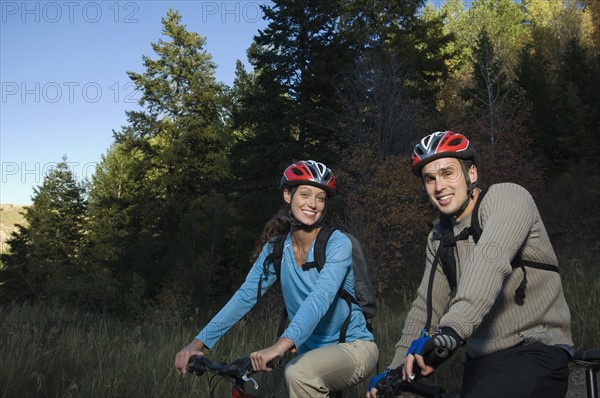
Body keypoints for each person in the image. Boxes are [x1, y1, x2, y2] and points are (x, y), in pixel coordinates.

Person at [367, 131, 573, 398]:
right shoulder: (439, 237)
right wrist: (395, 370)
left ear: (471, 174)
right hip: (480, 361)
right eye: (430, 179)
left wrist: (451, 330)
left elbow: (490, 263)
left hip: (535, 349)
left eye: (447, 173)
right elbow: (426, 310)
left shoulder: (508, 198)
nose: (438, 186)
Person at [175, 160, 378, 397]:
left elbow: (321, 297)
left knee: (298, 372)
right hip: (307, 356)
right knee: (299, 370)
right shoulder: (276, 249)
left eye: (320, 198)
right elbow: (244, 296)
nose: (313, 204)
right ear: (287, 195)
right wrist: (196, 344)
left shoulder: (337, 243)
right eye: (304, 194)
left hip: (354, 349)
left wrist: (280, 346)